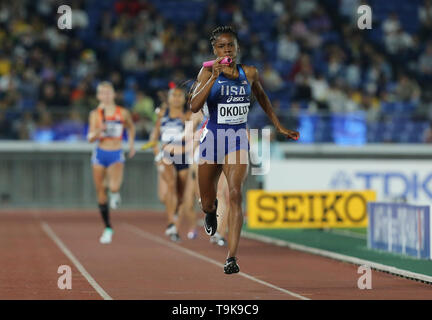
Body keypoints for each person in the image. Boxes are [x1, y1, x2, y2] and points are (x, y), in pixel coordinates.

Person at [190, 26, 299, 274]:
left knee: (236, 193)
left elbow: (262, 97)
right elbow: (195, 106)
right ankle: (210, 212)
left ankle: (231, 257)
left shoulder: (249, 73)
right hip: (213, 138)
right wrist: (214, 77)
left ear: (237, 48)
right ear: (214, 50)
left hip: (238, 138)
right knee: (208, 201)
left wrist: (279, 125)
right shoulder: (207, 71)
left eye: (231, 45)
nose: (227, 49)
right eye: (221, 46)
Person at [87, 81, 136, 244]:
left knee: (113, 187)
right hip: (100, 153)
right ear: (98, 96)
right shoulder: (95, 114)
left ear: (114, 94)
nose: (106, 96)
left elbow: (130, 127)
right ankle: (108, 227)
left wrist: (130, 145)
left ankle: (115, 192)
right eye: (102, 93)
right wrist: (97, 132)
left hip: (115, 153)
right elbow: (89, 138)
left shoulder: (122, 112)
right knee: (101, 191)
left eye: (109, 92)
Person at [150, 87, 191, 242]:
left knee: (180, 195)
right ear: (168, 99)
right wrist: (157, 155)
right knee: (171, 184)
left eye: (180, 96)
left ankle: (174, 218)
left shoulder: (187, 116)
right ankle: (171, 225)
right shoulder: (162, 117)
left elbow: (191, 137)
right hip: (166, 155)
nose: (176, 98)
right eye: (173, 96)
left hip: (183, 156)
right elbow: (153, 138)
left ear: (184, 99)